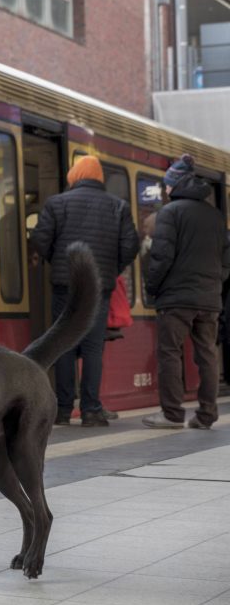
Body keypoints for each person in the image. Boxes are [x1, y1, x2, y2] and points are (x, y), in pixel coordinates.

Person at [29, 155, 138, 427]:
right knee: (92, 346)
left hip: (66, 285)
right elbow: (130, 246)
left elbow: (40, 239)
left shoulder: (57, 203)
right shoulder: (118, 206)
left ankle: (64, 409)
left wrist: (60, 262)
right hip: (99, 287)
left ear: (74, 176)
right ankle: (91, 409)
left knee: (64, 342)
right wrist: (110, 270)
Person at [142, 154, 230, 429]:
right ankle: (207, 413)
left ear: (175, 185)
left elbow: (161, 256)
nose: (166, 190)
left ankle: (171, 413)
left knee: (169, 352)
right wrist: (215, 283)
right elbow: (226, 260)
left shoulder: (169, 213)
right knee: (207, 353)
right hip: (209, 298)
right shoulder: (216, 216)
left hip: (176, 298)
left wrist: (152, 287)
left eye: (167, 185)